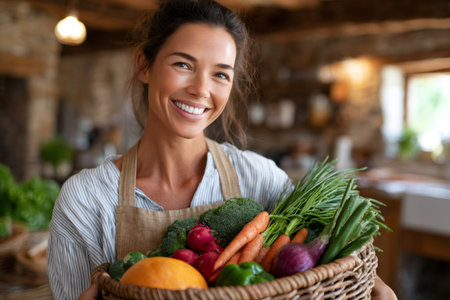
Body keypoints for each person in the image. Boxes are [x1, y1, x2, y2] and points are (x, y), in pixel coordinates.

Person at [47, 1, 396, 299]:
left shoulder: (260, 178)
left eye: (220, 75)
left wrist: (374, 283)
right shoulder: (87, 200)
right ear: (144, 66)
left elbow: (323, 257)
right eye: (183, 65)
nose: (201, 89)